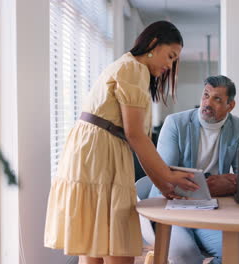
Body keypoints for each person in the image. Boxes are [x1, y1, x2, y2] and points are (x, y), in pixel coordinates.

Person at [44, 21, 199, 264]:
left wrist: (163, 182)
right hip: (99, 152)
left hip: (92, 150)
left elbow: (136, 137)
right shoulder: (134, 69)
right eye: (170, 56)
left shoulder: (127, 66)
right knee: (116, 242)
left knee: (94, 239)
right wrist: (167, 177)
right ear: (153, 43)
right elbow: (136, 135)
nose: (170, 66)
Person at [148, 75, 239, 264]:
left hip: (209, 209)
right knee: (187, 256)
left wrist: (230, 183)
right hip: (172, 208)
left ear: (231, 105)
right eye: (206, 95)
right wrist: (212, 185)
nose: (208, 102)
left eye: (217, 99)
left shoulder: (238, 127)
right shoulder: (175, 123)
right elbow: (166, 176)